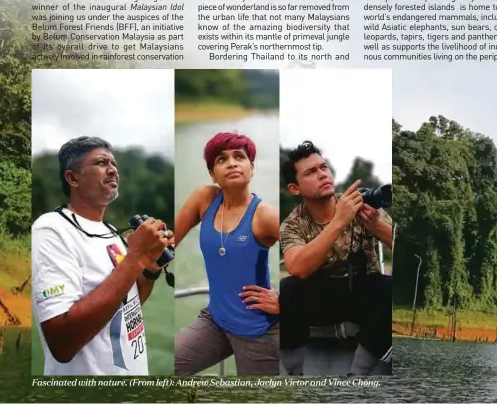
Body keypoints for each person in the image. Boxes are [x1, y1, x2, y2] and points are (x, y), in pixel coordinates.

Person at [32, 136, 173, 376]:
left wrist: (148, 270)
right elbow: (62, 344)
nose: (112, 170)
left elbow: (129, 303)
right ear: (73, 177)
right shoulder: (51, 229)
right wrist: (135, 256)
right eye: (101, 163)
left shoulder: (110, 232)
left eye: (114, 164)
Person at [279, 140, 393, 377]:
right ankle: (294, 374)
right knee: (289, 288)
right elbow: (297, 268)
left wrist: (377, 226)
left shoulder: (361, 204)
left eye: (323, 167)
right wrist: (339, 221)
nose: (322, 175)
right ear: (295, 188)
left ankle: (357, 375)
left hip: (362, 295)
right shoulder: (292, 224)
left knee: (388, 288)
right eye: (311, 172)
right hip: (320, 299)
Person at [174, 131, 280, 376]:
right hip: (216, 321)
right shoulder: (205, 199)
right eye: (221, 159)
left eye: (239, 157)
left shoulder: (265, 215)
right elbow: (170, 242)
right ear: (213, 174)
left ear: (251, 168)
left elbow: (303, 256)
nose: (231, 163)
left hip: (258, 332)